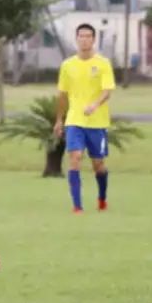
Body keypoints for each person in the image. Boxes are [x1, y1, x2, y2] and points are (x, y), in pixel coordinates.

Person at [53, 24, 116, 212]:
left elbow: (107, 91)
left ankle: (102, 198)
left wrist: (95, 105)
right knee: (75, 157)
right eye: (81, 36)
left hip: (97, 122)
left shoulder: (103, 64)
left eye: (88, 36)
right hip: (74, 120)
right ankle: (77, 206)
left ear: (94, 39)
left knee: (98, 164)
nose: (84, 39)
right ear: (76, 38)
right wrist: (59, 120)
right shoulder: (67, 65)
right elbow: (62, 95)